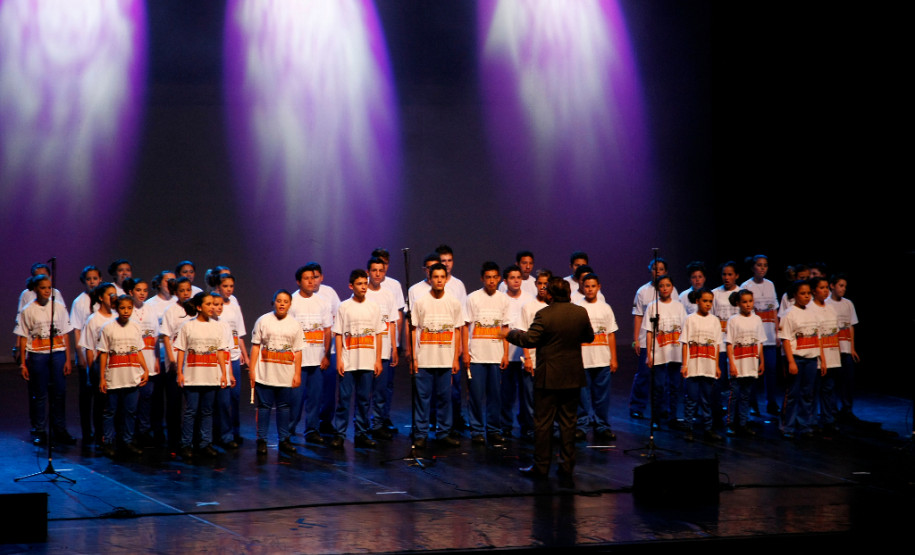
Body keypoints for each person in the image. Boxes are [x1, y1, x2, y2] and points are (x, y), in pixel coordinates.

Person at [504, 278, 594, 479]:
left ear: (550, 294)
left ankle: (541, 466)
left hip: (549, 377)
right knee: (568, 423)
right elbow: (589, 337)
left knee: (543, 424)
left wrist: (510, 334)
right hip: (572, 376)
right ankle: (566, 466)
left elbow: (530, 339)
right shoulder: (580, 312)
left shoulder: (544, 314)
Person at [15, 274, 76, 446]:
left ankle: (60, 429)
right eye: (43, 288)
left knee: (59, 393)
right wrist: (23, 363)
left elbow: (65, 334)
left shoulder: (59, 307)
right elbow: (23, 337)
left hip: (57, 353)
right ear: (35, 289)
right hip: (37, 355)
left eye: (49, 287)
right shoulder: (28, 310)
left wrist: (68, 359)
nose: (47, 291)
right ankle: (39, 430)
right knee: (40, 393)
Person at [409, 262, 464, 449]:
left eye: (442, 277)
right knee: (422, 398)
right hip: (424, 358)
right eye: (435, 277)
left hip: (445, 359)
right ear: (430, 279)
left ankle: (443, 433)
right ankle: (421, 434)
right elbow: (414, 330)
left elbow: (457, 330)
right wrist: (414, 357)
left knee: (444, 397)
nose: (439, 280)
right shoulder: (420, 302)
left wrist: (455, 358)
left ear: (446, 279)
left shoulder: (454, 303)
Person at [330, 270, 384, 449]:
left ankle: (361, 433)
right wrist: (339, 359)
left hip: (367, 361)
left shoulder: (374, 307)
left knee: (364, 400)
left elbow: (378, 334)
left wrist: (378, 360)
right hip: (349, 361)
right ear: (351, 286)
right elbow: (338, 334)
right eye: (359, 284)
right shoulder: (344, 307)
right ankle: (340, 434)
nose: (363, 287)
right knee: (344, 400)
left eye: (365, 283)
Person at [174, 292, 230, 459]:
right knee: (191, 411)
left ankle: (205, 443)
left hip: (211, 375)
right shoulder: (188, 326)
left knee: (207, 411)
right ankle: (186, 444)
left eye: (213, 304)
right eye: (208, 304)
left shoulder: (218, 326)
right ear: (199, 307)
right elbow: (181, 350)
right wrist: (179, 372)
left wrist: (224, 373)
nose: (212, 307)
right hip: (192, 376)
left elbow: (220, 352)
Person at [249, 290, 303, 456]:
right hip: (265, 374)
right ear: (273, 302)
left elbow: (298, 351)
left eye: (285, 301)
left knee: (284, 408)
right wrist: (252, 370)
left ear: (290, 304)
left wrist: (297, 374)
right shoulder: (263, 321)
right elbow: (256, 347)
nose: (282, 304)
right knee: (264, 407)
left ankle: (284, 439)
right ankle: (262, 440)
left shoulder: (295, 325)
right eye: (279, 301)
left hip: (285, 374)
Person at [463, 261, 511, 445]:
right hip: (476, 355)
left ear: (499, 279)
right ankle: (476, 430)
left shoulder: (503, 299)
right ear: (482, 279)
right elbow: (466, 327)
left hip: (496, 355)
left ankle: (493, 429)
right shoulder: (473, 298)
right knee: (476, 395)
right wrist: (466, 352)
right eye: (488, 277)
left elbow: (505, 328)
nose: (491, 281)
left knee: (495, 396)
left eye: (494, 277)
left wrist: (505, 354)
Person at [97, 295, 150, 457]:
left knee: (130, 411)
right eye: (122, 308)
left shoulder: (136, 327)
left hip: (131, 375)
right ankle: (108, 442)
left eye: (129, 308)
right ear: (116, 308)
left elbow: (138, 350)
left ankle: (127, 441)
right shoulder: (108, 328)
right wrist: (102, 377)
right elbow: (104, 354)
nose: (126, 311)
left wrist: (145, 370)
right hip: (114, 376)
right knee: (110, 411)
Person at [288, 264, 333, 444]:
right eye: (306, 278)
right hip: (298, 361)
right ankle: (289, 430)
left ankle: (312, 430)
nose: (311, 281)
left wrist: (326, 355)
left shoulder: (322, 302)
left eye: (313, 278)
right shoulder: (292, 301)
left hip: (316, 360)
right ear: (298, 281)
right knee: (295, 399)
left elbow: (327, 330)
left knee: (315, 398)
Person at [629, 257, 678, 419]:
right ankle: (637, 406)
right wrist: (636, 339)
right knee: (644, 374)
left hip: (666, 341)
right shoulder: (642, 291)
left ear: (666, 271)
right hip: (646, 339)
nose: (658, 272)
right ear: (650, 270)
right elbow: (638, 316)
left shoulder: (673, 291)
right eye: (655, 269)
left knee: (663, 377)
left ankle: (662, 407)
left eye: (661, 269)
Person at [574, 273, 619, 442]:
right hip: (583, 360)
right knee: (582, 397)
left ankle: (602, 426)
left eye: (593, 286)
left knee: (602, 396)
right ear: (582, 287)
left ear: (599, 287)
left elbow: (611, 334)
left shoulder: (605, 308)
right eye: (587, 286)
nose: (590, 289)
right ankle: (582, 426)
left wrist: (613, 358)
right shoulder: (578, 307)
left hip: (602, 359)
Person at [778, 281, 824, 439]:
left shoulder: (813, 312)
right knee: (792, 394)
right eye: (802, 293)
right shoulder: (789, 313)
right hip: (796, 359)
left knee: (807, 394)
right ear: (795, 295)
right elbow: (785, 339)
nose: (806, 296)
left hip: (811, 359)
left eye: (808, 293)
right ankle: (788, 426)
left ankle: (804, 425)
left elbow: (818, 337)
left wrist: (821, 359)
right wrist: (791, 361)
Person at [370, 248, 406, 433]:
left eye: (383, 265)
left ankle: (383, 418)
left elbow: (397, 317)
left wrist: (395, 343)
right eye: (376, 267)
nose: (379, 271)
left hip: (388, 343)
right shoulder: (364, 286)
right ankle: (368, 422)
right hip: (368, 345)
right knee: (368, 386)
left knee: (386, 385)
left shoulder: (393, 286)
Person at [644, 275, 687, 430]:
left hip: (675, 352)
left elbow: (685, 330)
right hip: (659, 353)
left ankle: (672, 416)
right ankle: (656, 417)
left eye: (667, 285)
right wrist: (649, 354)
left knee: (674, 386)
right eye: (661, 286)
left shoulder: (679, 306)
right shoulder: (652, 307)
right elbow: (649, 332)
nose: (664, 288)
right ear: (657, 288)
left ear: (672, 287)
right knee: (659, 386)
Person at [78, 282, 118, 448]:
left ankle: (114, 435)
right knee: (101, 403)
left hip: (116, 366)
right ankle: (100, 435)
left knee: (114, 403)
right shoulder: (93, 320)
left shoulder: (117, 316)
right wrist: (90, 371)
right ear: (101, 298)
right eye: (110, 295)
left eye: (115, 295)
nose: (114, 298)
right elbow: (89, 347)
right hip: (99, 366)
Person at [680, 289, 722, 441]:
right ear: (697, 301)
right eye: (705, 301)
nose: (708, 304)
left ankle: (708, 428)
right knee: (691, 399)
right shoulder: (690, 319)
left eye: (710, 301)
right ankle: (688, 428)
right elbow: (685, 343)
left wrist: (716, 366)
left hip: (708, 366)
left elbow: (717, 344)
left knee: (707, 399)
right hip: (693, 366)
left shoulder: (715, 321)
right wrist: (684, 365)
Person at [740, 255, 780, 415]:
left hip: (769, 337)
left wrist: (777, 332)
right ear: (752, 267)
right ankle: (752, 403)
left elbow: (774, 309)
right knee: (754, 372)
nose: (763, 268)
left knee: (771, 370)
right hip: (754, 338)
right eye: (759, 265)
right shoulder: (746, 285)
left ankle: (771, 402)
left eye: (765, 265)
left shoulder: (770, 284)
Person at [499, 264, 535, 439]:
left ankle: (527, 425)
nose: (516, 281)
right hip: (506, 354)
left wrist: (529, 355)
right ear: (505, 281)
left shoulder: (529, 299)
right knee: (506, 393)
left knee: (526, 394)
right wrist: (504, 354)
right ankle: (505, 425)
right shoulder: (501, 299)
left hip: (524, 354)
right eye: (512, 278)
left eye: (518, 277)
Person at [124, 278, 161, 447]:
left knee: (147, 398)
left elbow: (155, 336)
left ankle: (143, 430)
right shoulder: (127, 310)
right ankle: (128, 433)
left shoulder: (151, 309)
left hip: (149, 360)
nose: (142, 293)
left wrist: (157, 359)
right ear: (131, 292)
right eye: (138, 290)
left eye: (145, 290)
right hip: (131, 362)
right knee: (131, 401)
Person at [365, 257, 399, 440]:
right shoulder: (364, 293)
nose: (378, 274)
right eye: (374, 270)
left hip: (384, 350)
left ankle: (377, 425)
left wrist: (394, 347)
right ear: (368, 272)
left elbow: (392, 322)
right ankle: (362, 425)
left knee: (380, 391)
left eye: (381, 270)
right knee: (364, 391)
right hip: (365, 350)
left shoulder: (388, 295)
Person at [213, 274, 247, 447]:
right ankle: (221, 434)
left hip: (233, 356)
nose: (228, 289)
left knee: (235, 396)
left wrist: (244, 354)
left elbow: (238, 333)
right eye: (225, 286)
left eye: (231, 286)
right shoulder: (212, 305)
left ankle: (235, 432)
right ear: (218, 287)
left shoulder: (234, 306)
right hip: (219, 358)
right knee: (222, 399)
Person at [725, 290, 765, 436]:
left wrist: (761, 361)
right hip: (738, 364)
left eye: (750, 301)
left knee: (746, 395)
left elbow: (760, 342)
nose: (748, 304)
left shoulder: (757, 319)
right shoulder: (733, 320)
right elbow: (729, 344)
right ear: (738, 303)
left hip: (751, 363)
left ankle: (743, 423)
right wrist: (732, 364)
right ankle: (730, 423)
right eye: (744, 302)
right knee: (735, 395)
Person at [70, 265, 101, 445]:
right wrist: (80, 355)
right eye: (89, 279)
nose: (92, 282)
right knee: (86, 395)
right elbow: (76, 330)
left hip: (101, 355)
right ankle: (87, 431)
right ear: (84, 281)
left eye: (95, 278)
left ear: (100, 279)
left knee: (100, 395)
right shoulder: (79, 302)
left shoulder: (103, 299)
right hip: (85, 353)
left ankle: (100, 431)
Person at [808, 276, 842, 433]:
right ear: (814, 291)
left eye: (826, 288)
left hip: (832, 356)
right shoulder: (810, 309)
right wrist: (822, 360)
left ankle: (828, 419)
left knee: (828, 390)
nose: (825, 291)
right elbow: (816, 336)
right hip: (818, 358)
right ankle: (812, 421)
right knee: (814, 390)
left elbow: (834, 332)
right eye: (821, 288)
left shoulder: (831, 307)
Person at [826, 273, 860, 423]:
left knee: (848, 381)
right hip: (833, 349)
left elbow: (851, 326)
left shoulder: (848, 304)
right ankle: (832, 410)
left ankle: (847, 409)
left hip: (846, 349)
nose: (843, 289)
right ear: (832, 286)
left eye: (845, 286)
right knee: (833, 382)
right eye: (840, 285)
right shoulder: (826, 303)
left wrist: (852, 348)